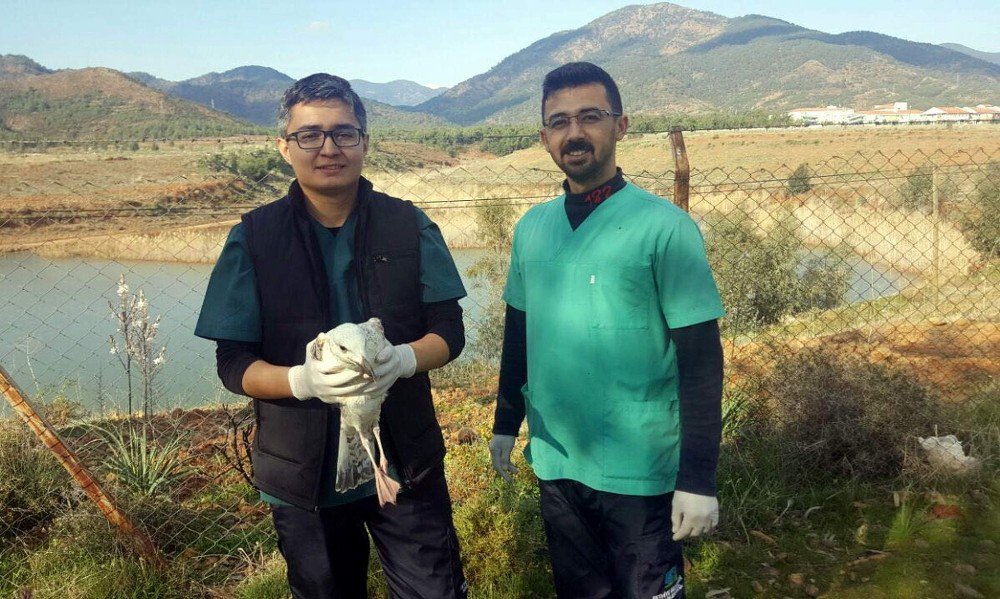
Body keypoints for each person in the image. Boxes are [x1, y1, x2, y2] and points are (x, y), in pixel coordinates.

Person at [195, 73, 468, 599]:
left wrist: (405, 360)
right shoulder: (253, 238)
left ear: (364, 142)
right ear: (284, 147)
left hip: (404, 462)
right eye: (309, 134)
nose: (328, 148)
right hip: (303, 476)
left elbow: (449, 332)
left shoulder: (408, 225)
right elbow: (233, 363)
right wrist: (301, 380)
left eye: (344, 133)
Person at [489, 62, 726, 599]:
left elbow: (701, 362)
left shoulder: (665, 228)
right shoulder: (532, 229)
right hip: (557, 459)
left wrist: (697, 479)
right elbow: (517, 331)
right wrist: (507, 421)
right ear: (544, 136)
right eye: (560, 121)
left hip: (640, 468)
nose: (575, 132)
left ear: (620, 126)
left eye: (590, 116)